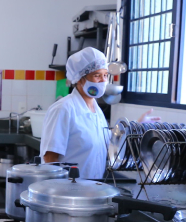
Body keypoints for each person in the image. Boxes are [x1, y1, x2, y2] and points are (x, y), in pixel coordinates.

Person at [40, 47, 157, 179]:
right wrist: (58, 188)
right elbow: (49, 157)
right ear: (79, 78)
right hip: (68, 188)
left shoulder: (96, 110)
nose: (103, 81)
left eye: (105, 75)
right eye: (97, 76)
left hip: (93, 186)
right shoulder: (63, 109)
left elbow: (110, 143)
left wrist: (137, 125)